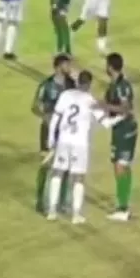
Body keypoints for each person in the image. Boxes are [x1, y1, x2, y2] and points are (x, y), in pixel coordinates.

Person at [43, 71, 104, 225]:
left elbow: (55, 118)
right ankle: (76, 214)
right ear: (89, 84)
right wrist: (120, 116)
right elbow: (104, 121)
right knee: (78, 177)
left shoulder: (66, 95)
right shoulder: (90, 100)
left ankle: (52, 210)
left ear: (78, 82)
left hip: (64, 140)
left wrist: (51, 138)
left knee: (57, 172)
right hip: (80, 143)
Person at [33, 54, 76, 214]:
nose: (69, 68)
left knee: (66, 165)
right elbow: (34, 106)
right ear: (58, 67)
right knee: (45, 165)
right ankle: (40, 201)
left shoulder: (71, 84)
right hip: (48, 130)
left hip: (66, 130)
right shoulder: (46, 85)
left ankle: (62, 202)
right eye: (67, 65)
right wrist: (46, 118)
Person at [100, 52, 138, 222]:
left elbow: (125, 108)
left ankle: (123, 208)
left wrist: (104, 106)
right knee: (124, 165)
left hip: (124, 129)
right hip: (123, 128)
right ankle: (125, 203)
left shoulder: (121, 86)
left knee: (119, 166)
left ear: (110, 67)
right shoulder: (118, 83)